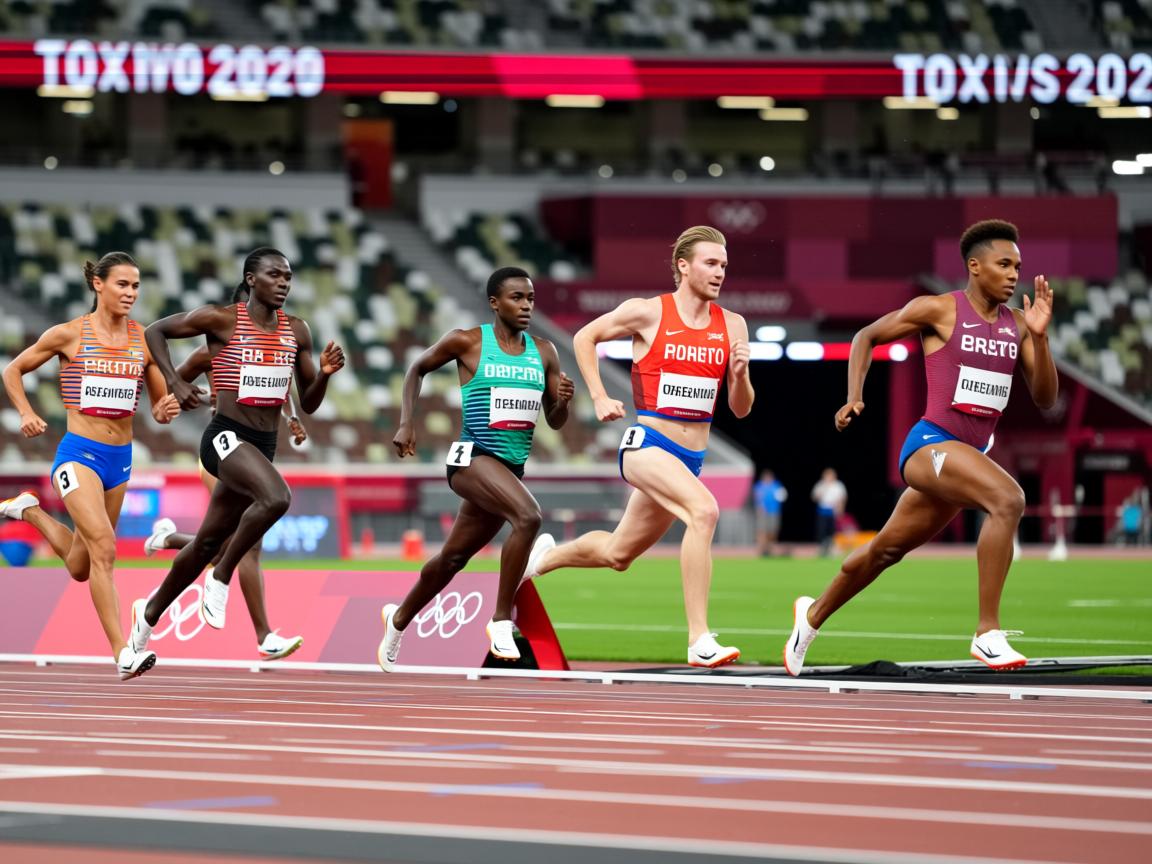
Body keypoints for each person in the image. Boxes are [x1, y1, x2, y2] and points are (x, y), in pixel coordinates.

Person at [783, 219, 1058, 675]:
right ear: (975, 266)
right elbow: (864, 336)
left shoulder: (1018, 326)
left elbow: (1047, 398)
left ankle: (809, 618)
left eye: (1018, 266)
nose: (1014, 274)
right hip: (930, 445)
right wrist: (854, 395)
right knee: (1008, 499)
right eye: (1003, 264)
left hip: (964, 459)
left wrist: (1041, 336)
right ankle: (987, 632)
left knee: (884, 551)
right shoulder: (939, 310)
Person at [520, 225, 754, 669]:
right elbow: (584, 337)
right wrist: (599, 395)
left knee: (618, 554)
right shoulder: (647, 313)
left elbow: (741, 410)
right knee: (704, 513)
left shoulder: (734, 325)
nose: (720, 272)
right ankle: (699, 638)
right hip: (647, 445)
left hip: (691, 459)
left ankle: (544, 558)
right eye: (710, 263)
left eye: (724, 265)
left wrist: (740, 377)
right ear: (683, 266)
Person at [128, 247, 344, 657]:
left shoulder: (298, 331)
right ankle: (222, 577)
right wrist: (174, 383)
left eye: (288, 277)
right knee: (278, 498)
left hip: (263, 445)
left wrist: (327, 375)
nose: (283, 283)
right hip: (225, 436)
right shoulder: (222, 319)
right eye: (274, 275)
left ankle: (147, 618)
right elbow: (154, 331)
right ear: (251, 279)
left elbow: (310, 402)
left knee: (206, 544)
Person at [377, 267, 573, 670]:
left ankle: (397, 621)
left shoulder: (545, 351)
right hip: (470, 458)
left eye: (531, 298)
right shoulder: (467, 342)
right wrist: (406, 421)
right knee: (529, 517)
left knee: (453, 558)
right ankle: (502, 620)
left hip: (507, 471)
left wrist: (563, 402)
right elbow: (416, 369)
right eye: (517, 298)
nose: (526, 306)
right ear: (495, 302)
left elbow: (554, 421)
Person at [0, 252, 180, 679]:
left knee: (81, 566)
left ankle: (27, 510)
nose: (130, 293)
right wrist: (26, 412)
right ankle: (123, 652)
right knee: (105, 548)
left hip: (120, 461)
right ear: (98, 284)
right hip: (78, 453)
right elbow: (13, 370)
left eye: (136, 286)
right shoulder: (68, 334)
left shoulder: (144, 340)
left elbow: (158, 406)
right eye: (122, 284)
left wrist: (166, 408)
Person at [811, 467, 847, 557]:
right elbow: (814, 497)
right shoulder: (820, 485)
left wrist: (840, 509)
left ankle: (831, 548)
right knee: (821, 530)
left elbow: (842, 498)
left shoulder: (838, 485)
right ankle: (821, 548)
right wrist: (823, 489)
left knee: (832, 531)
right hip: (822, 511)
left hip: (833, 511)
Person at [752, 469, 787, 557]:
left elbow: (782, 497)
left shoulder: (776, 486)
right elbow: (756, 498)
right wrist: (759, 506)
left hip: (774, 512)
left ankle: (770, 549)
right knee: (761, 530)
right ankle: (761, 550)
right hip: (763, 513)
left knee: (772, 531)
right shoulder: (759, 486)